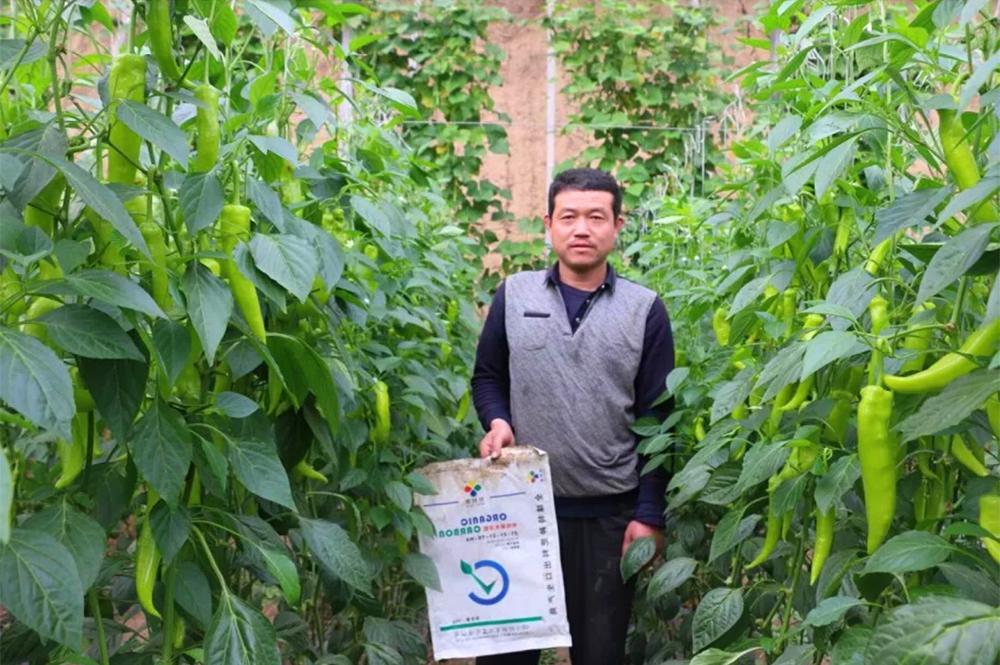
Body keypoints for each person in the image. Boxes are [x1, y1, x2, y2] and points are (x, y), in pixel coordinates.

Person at [471, 168, 674, 665]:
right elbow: (488, 377)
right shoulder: (513, 296)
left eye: (596, 217)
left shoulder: (644, 309)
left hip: (609, 513)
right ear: (549, 224)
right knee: (507, 655)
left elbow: (659, 418)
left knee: (599, 653)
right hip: (519, 508)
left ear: (617, 225)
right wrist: (497, 421)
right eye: (569, 217)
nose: (582, 229)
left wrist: (648, 514)